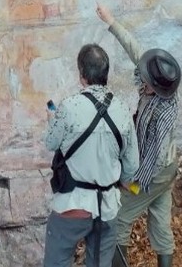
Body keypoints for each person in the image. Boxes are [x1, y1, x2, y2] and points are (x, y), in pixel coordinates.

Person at [96, 2, 182, 267]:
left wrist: (129, 182)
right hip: (167, 170)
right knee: (159, 221)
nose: (141, 79)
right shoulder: (158, 84)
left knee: (120, 215)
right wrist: (111, 22)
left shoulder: (162, 116)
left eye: (145, 80)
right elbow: (136, 51)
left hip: (157, 173)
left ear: (155, 87)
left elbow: (153, 161)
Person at [43, 43, 140, 267]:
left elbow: (51, 142)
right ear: (106, 74)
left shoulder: (68, 108)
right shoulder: (123, 110)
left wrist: (51, 120)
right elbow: (132, 167)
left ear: (82, 75)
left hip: (73, 204)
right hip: (107, 208)